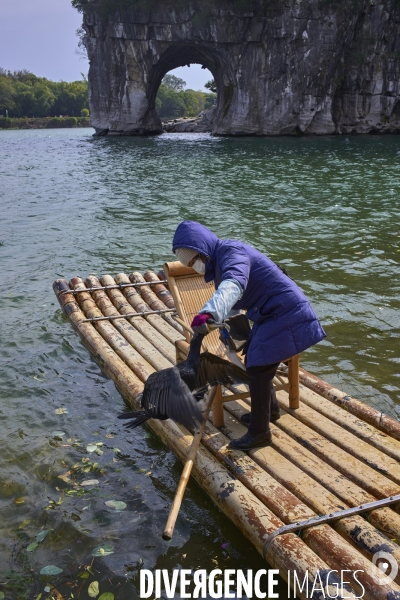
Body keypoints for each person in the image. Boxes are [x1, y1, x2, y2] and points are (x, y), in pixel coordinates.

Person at [172, 220, 326, 450]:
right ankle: (269, 410)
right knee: (259, 360)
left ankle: (259, 433)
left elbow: (233, 286)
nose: (196, 267)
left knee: (257, 368)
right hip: (270, 314)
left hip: (286, 312)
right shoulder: (218, 263)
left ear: (203, 252)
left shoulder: (231, 253)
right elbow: (233, 307)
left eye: (195, 261)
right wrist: (232, 336)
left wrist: (207, 314)